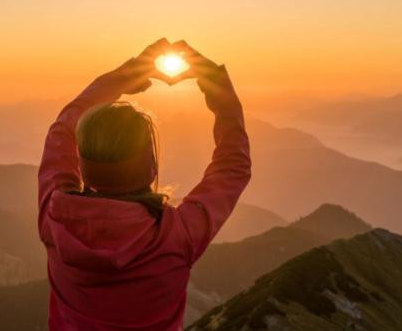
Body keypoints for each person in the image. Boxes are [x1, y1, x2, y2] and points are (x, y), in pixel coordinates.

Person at [37, 38, 252, 330]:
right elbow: (233, 166)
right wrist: (218, 86)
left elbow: (62, 130)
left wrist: (123, 76)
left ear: (83, 163)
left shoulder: (55, 218)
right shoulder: (177, 235)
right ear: (151, 167)